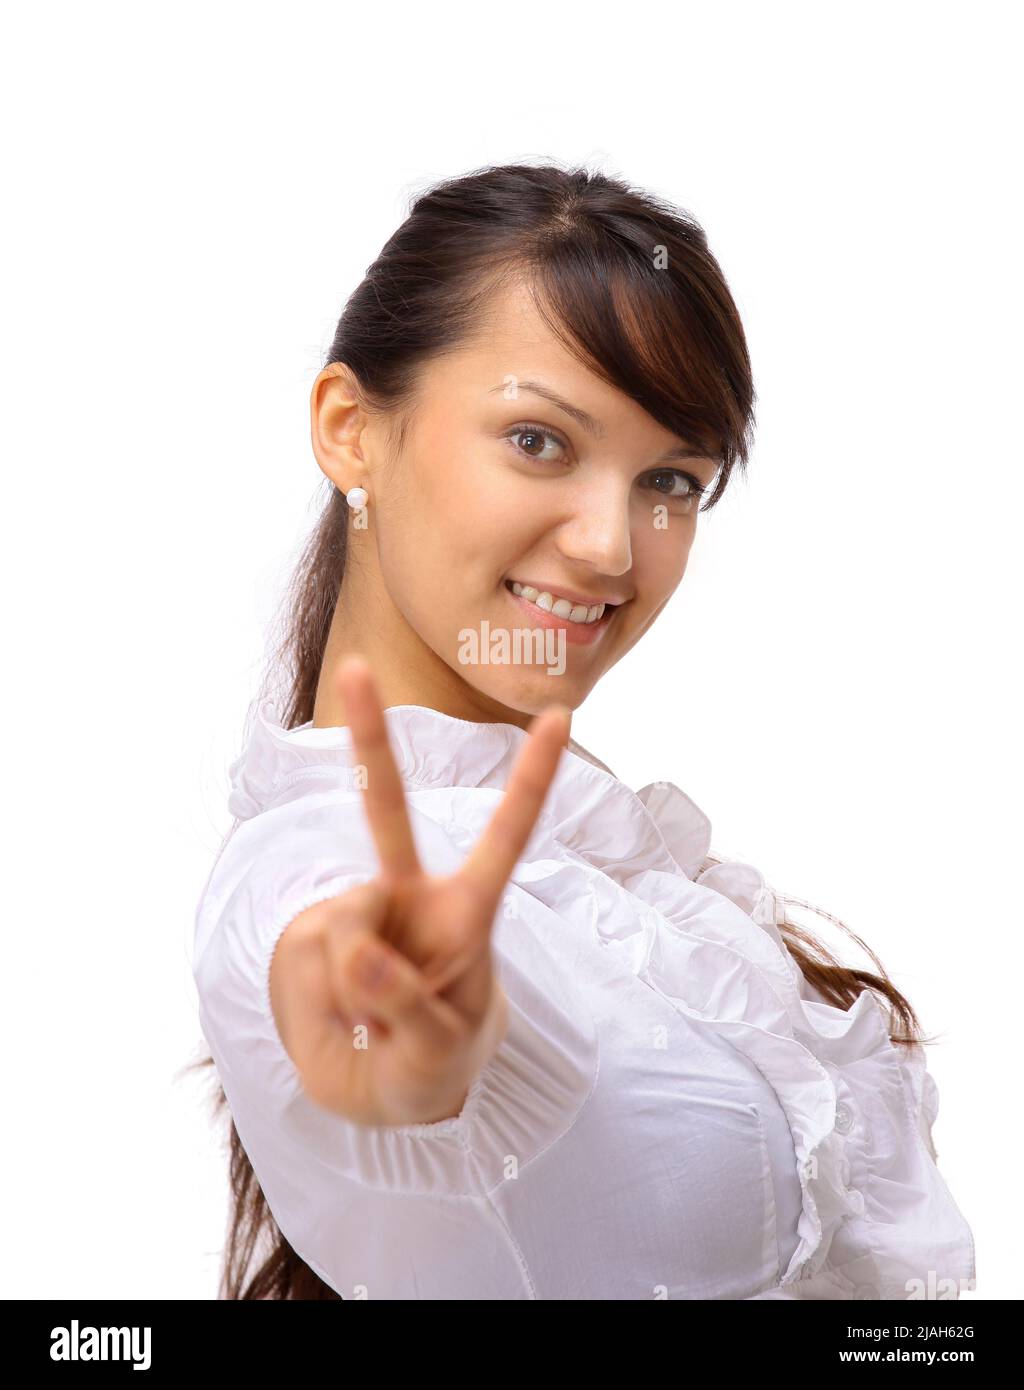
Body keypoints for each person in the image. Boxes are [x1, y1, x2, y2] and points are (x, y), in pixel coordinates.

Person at [188, 161, 976, 1300]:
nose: (614, 545)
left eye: (669, 477)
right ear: (352, 430)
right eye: (539, 442)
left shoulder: (606, 857)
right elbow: (355, 1007)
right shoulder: (316, 873)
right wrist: (394, 1028)